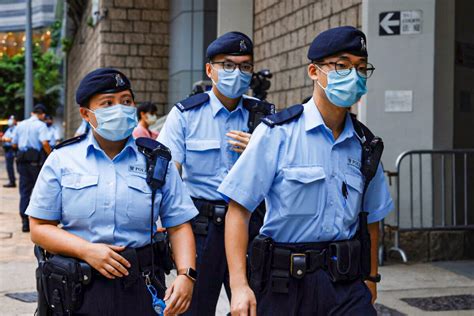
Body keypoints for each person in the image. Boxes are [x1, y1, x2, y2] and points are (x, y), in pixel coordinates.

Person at [218, 26, 394, 315]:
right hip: (285, 286)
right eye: (342, 65)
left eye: (361, 68)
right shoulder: (278, 134)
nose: (353, 75)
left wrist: (371, 278)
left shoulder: (366, 145)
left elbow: (371, 218)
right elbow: (238, 210)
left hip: (346, 286)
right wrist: (239, 286)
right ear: (314, 71)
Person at [26, 68, 198, 315]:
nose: (120, 108)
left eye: (126, 101)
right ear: (86, 114)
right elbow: (40, 227)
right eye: (107, 103)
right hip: (78, 287)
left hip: (140, 283)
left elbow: (179, 225)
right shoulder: (62, 160)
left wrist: (186, 275)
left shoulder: (157, 160)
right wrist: (87, 250)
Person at [158, 31, 273, 315]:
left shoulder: (266, 117)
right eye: (229, 65)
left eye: (245, 66)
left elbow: (282, 175)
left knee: (254, 306)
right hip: (201, 228)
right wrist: (169, 228)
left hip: (252, 224)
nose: (238, 73)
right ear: (210, 70)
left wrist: (260, 151)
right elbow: (167, 176)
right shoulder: (185, 114)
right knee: (194, 308)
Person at [12, 104, 51, 232]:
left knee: (24, 191)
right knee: (40, 190)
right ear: (43, 114)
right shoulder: (41, 125)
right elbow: (44, 142)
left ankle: (24, 221)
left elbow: (14, 143)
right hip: (35, 161)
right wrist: (51, 155)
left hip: (22, 160)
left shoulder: (20, 125)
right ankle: (38, 221)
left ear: (32, 112)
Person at [2, 115, 17, 188]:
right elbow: (4, 138)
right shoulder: (9, 129)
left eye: (12, 119)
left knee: (14, 166)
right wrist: (5, 139)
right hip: (7, 148)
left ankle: (12, 181)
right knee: (9, 166)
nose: (10, 120)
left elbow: (13, 139)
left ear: (15, 121)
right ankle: (12, 181)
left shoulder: (16, 129)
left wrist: (5, 139)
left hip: (13, 149)